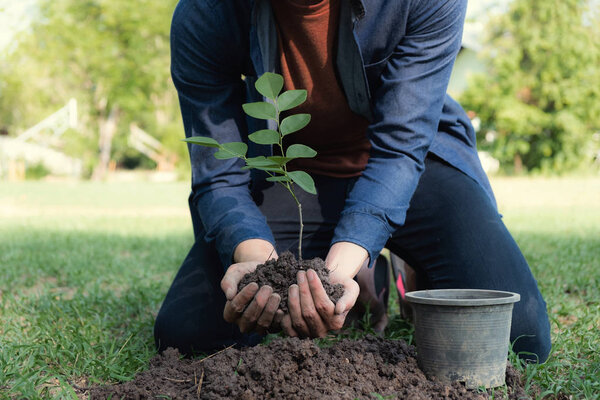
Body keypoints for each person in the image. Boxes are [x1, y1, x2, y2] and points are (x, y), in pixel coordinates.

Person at [154, 0, 551, 362]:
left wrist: (336, 271)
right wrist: (256, 261)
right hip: (294, 175)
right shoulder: (206, 13)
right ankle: (365, 271)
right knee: (188, 334)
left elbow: (401, 149)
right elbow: (219, 173)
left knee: (520, 334)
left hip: (412, 166)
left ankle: (393, 260)